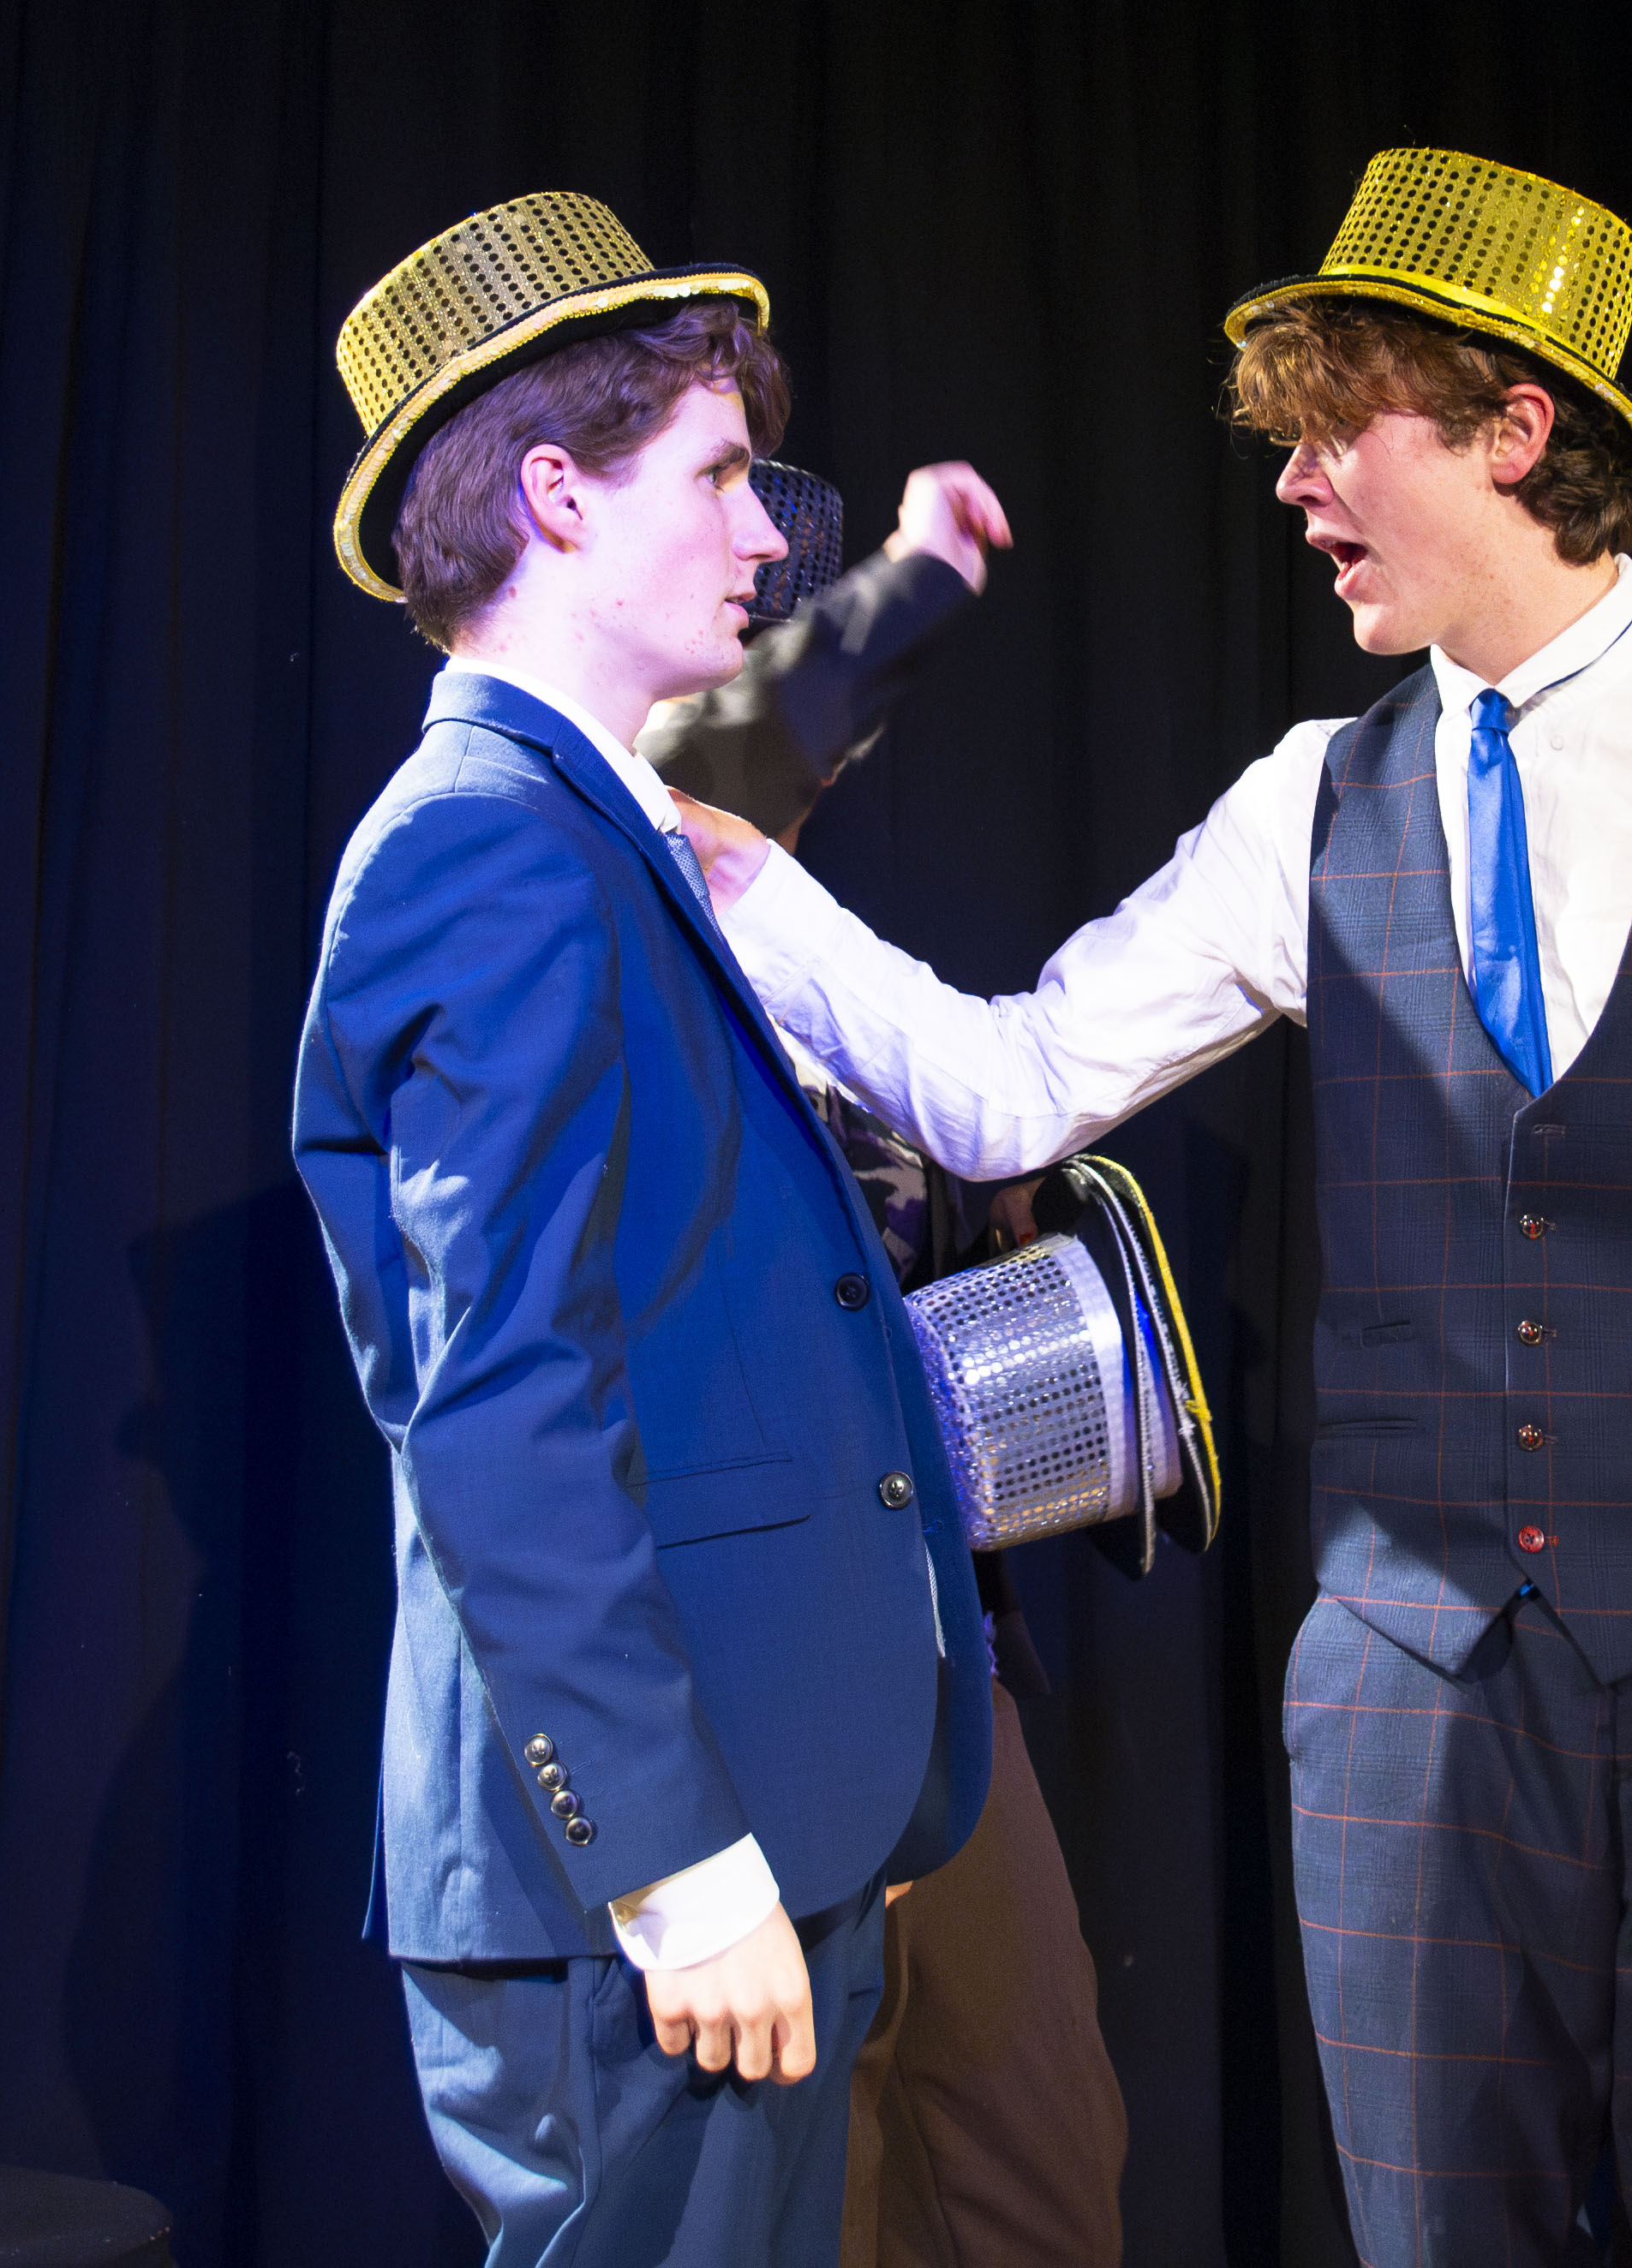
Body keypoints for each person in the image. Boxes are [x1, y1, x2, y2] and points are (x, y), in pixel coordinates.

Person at [676, 150, 1632, 2267]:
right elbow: (1018, 1084)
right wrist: (749, 880)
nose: (1294, 486)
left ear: (1513, 432)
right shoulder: (1311, 799)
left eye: (1334, 430)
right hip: (1412, 1692)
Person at [290, 191, 995, 2268]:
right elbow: (496, 1400)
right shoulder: (488, 853)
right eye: (717, 478)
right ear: (555, 498)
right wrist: (676, 1863)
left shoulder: (594, 822)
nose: (767, 533)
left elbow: (703, 1318)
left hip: (764, 1805)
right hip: (650, 1866)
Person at [642, 453, 1138, 2268]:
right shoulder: (600, 874)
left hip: (940, 1670)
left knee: (1034, 2174)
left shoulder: (822, 958)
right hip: (734, 1694)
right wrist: (923, 577)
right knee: (801, 2204)